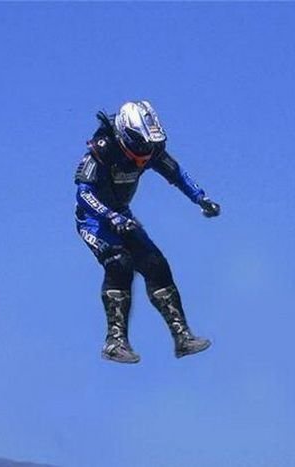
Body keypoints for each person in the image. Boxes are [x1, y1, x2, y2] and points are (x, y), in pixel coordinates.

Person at [74, 101, 221, 363]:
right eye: (139, 144)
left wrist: (201, 198)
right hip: (94, 219)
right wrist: (109, 216)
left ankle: (182, 337)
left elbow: (176, 173)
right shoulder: (103, 149)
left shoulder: (150, 150)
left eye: (147, 145)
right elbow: (83, 193)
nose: (144, 152)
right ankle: (115, 342)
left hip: (123, 214)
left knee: (155, 263)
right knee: (119, 263)